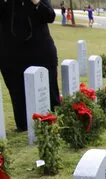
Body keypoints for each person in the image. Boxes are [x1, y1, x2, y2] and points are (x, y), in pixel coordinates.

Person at [0, 0, 61, 132]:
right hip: (11, 55)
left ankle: (54, 125)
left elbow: (50, 16)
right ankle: (24, 126)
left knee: (50, 93)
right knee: (17, 95)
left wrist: (36, 2)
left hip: (41, 52)